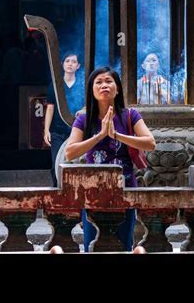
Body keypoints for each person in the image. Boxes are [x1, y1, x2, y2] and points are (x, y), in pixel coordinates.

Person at [65, 66, 156, 251]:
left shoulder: (130, 115)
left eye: (109, 81)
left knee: (123, 242)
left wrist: (116, 135)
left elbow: (150, 143)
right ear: (92, 89)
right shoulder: (83, 119)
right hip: (93, 191)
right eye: (98, 82)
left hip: (125, 187)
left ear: (118, 88)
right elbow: (70, 152)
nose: (104, 85)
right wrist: (99, 136)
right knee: (93, 242)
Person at [44, 52, 84, 187]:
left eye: (73, 62)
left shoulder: (83, 86)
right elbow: (50, 108)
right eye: (67, 61)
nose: (70, 64)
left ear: (78, 66)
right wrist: (46, 130)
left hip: (78, 132)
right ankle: (57, 194)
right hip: (57, 131)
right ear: (62, 64)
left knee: (77, 164)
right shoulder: (55, 85)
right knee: (56, 162)